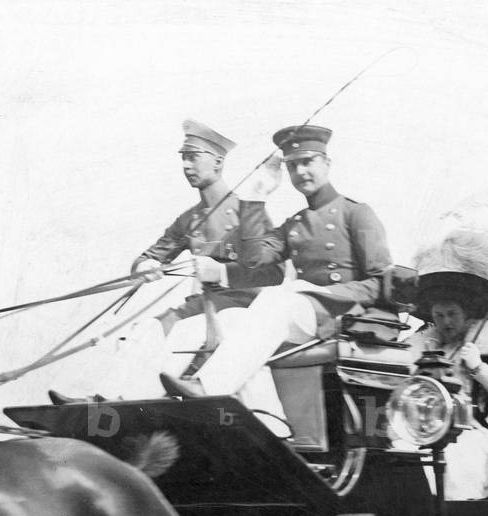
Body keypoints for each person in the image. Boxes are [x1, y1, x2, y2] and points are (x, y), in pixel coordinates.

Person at [49, 120, 284, 403]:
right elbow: (150, 256)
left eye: (193, 157)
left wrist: (221, 272)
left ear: (218, 161)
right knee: (145, 330)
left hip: (239, 309)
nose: (186, 165)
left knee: (183, 332)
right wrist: (144, 268)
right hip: (201, 308)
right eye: (184, 157)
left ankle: (138, 405)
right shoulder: (188, 220)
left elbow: (273, 272)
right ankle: (103, 402)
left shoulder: (248, 213)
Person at [160, 125, 392, 405]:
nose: (301, 172)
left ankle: (208, 387)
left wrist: (327, 293)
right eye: (293, 166)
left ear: (327, 164)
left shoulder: (357, 213)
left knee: (278, 299)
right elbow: (254, 259)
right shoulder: (293, 225)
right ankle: (267, 422)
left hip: (342, 313)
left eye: (308, 162)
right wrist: (257, 198)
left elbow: (381, 280)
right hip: (304, 314)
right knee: (229, 320)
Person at [402, 228, 488, 499]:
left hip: (477, 425)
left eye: (452, 314)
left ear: (466, 313)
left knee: (455, 458)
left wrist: (478, 367)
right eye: (439, 315)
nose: (446, 322)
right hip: (425, 425)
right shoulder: (420, 342)